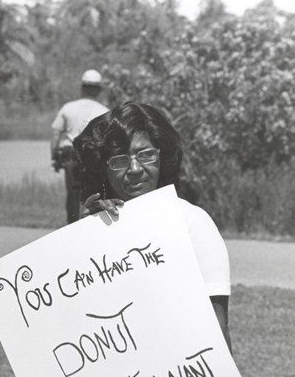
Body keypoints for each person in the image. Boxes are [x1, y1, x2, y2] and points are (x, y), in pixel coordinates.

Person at [73, 101, 232, 352]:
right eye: (120, 159)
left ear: (162, 158)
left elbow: (217, 328)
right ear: (103, 168)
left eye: (146, 154)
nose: (135, 168)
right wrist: (84, 238)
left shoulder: (193, 223)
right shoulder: (92, 227)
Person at [51, 69, 109, 224]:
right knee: (93, 193)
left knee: (73, 194)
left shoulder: (68, 108)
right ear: (98, 90)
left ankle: (72, 226)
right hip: (92, 156)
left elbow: (56, 135)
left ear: (82, 88)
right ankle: (90, 226)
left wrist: (55, 157)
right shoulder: (104, 111)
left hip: (70, 154)